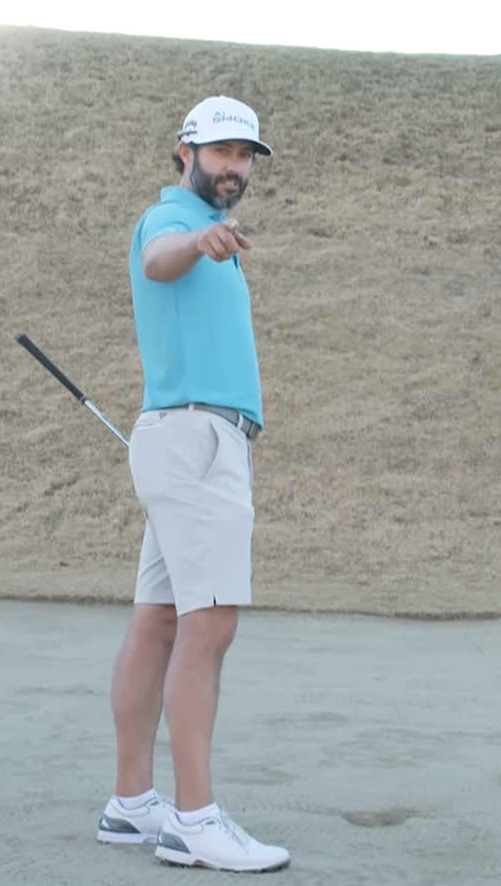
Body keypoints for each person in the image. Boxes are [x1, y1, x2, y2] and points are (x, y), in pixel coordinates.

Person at [92, 95, 289, 873]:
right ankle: (193, 820)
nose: (235, 167)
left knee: (158, 622)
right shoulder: (168, 220)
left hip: (191, 441)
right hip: (195, 441)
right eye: (222, 153)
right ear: (185, 151)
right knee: (209, 626)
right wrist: (198, 238)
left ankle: (132, 804)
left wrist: (212, 243)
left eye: (246, 156)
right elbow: (156, 259)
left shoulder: (212, 235)